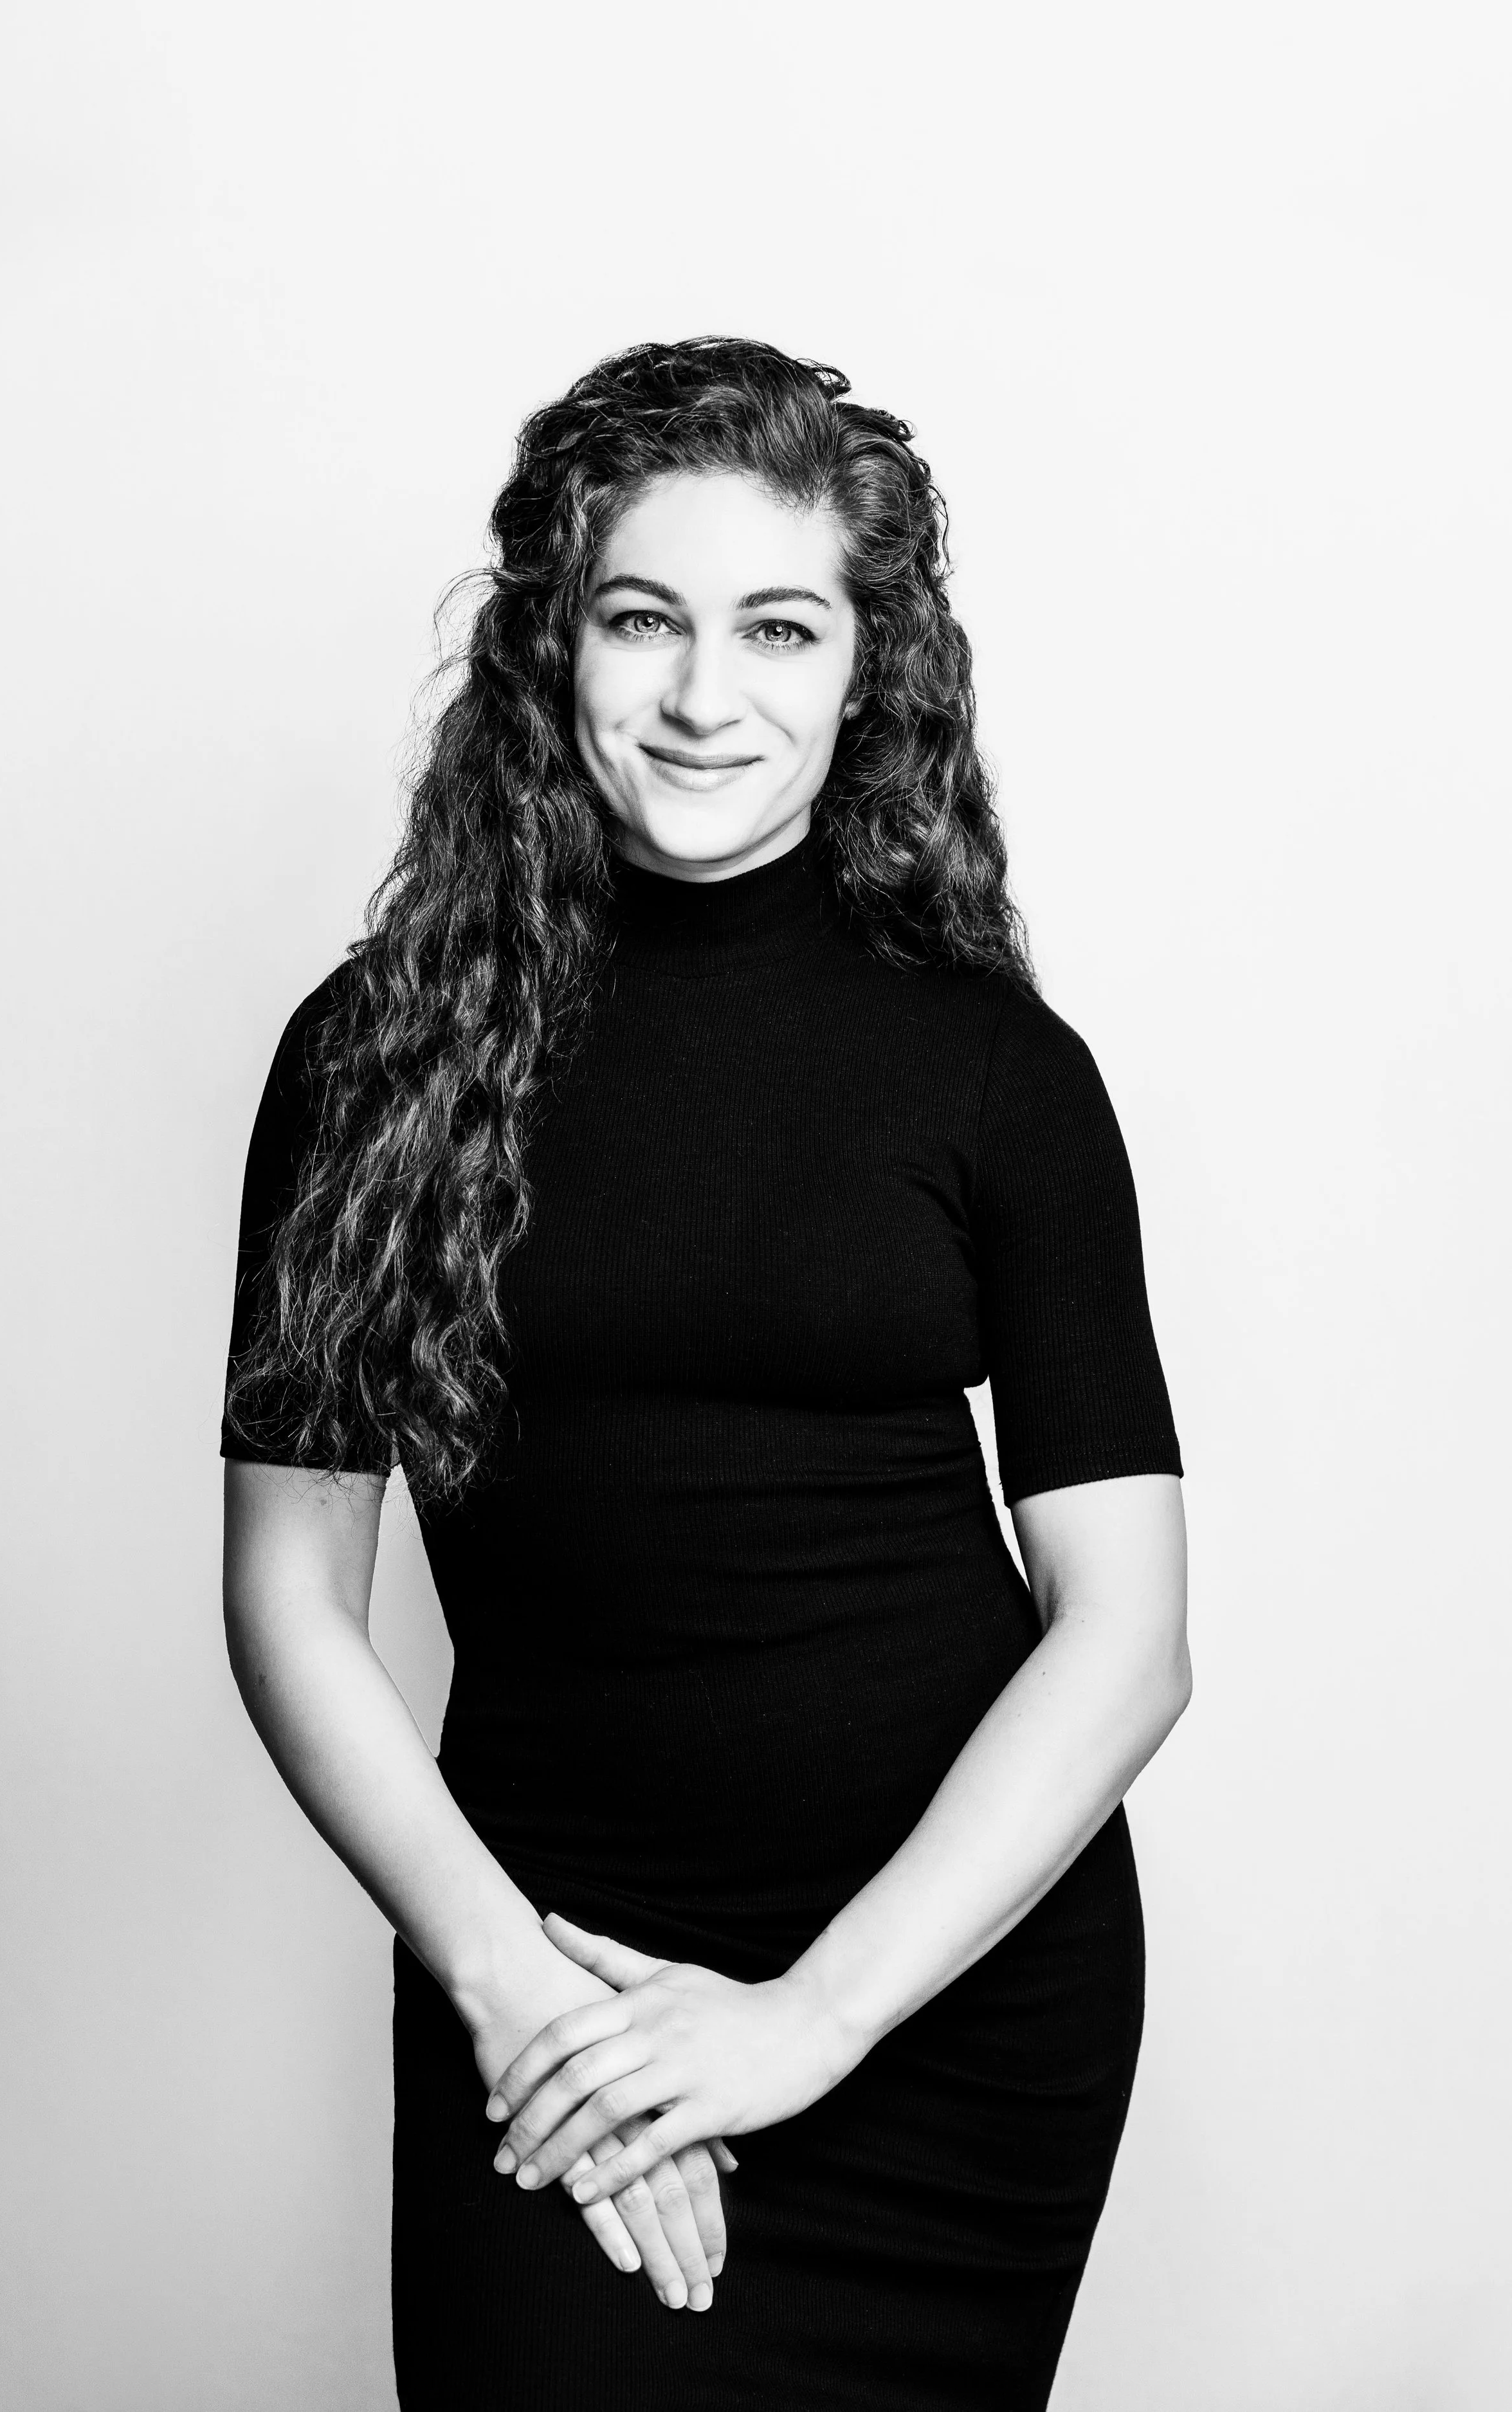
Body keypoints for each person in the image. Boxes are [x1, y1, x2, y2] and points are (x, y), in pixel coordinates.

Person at [220, 335, 1190, 2411]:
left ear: (866, 670)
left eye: (777, 625)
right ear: (549, 646)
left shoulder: (991, 1070)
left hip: (943, 2002)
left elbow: (1127, 1639)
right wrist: (515, 1994)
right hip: (549, 1980)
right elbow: (289, 1599)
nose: (699, 694)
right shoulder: (373, 1058)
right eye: (639, 618)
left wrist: (806, 2021)